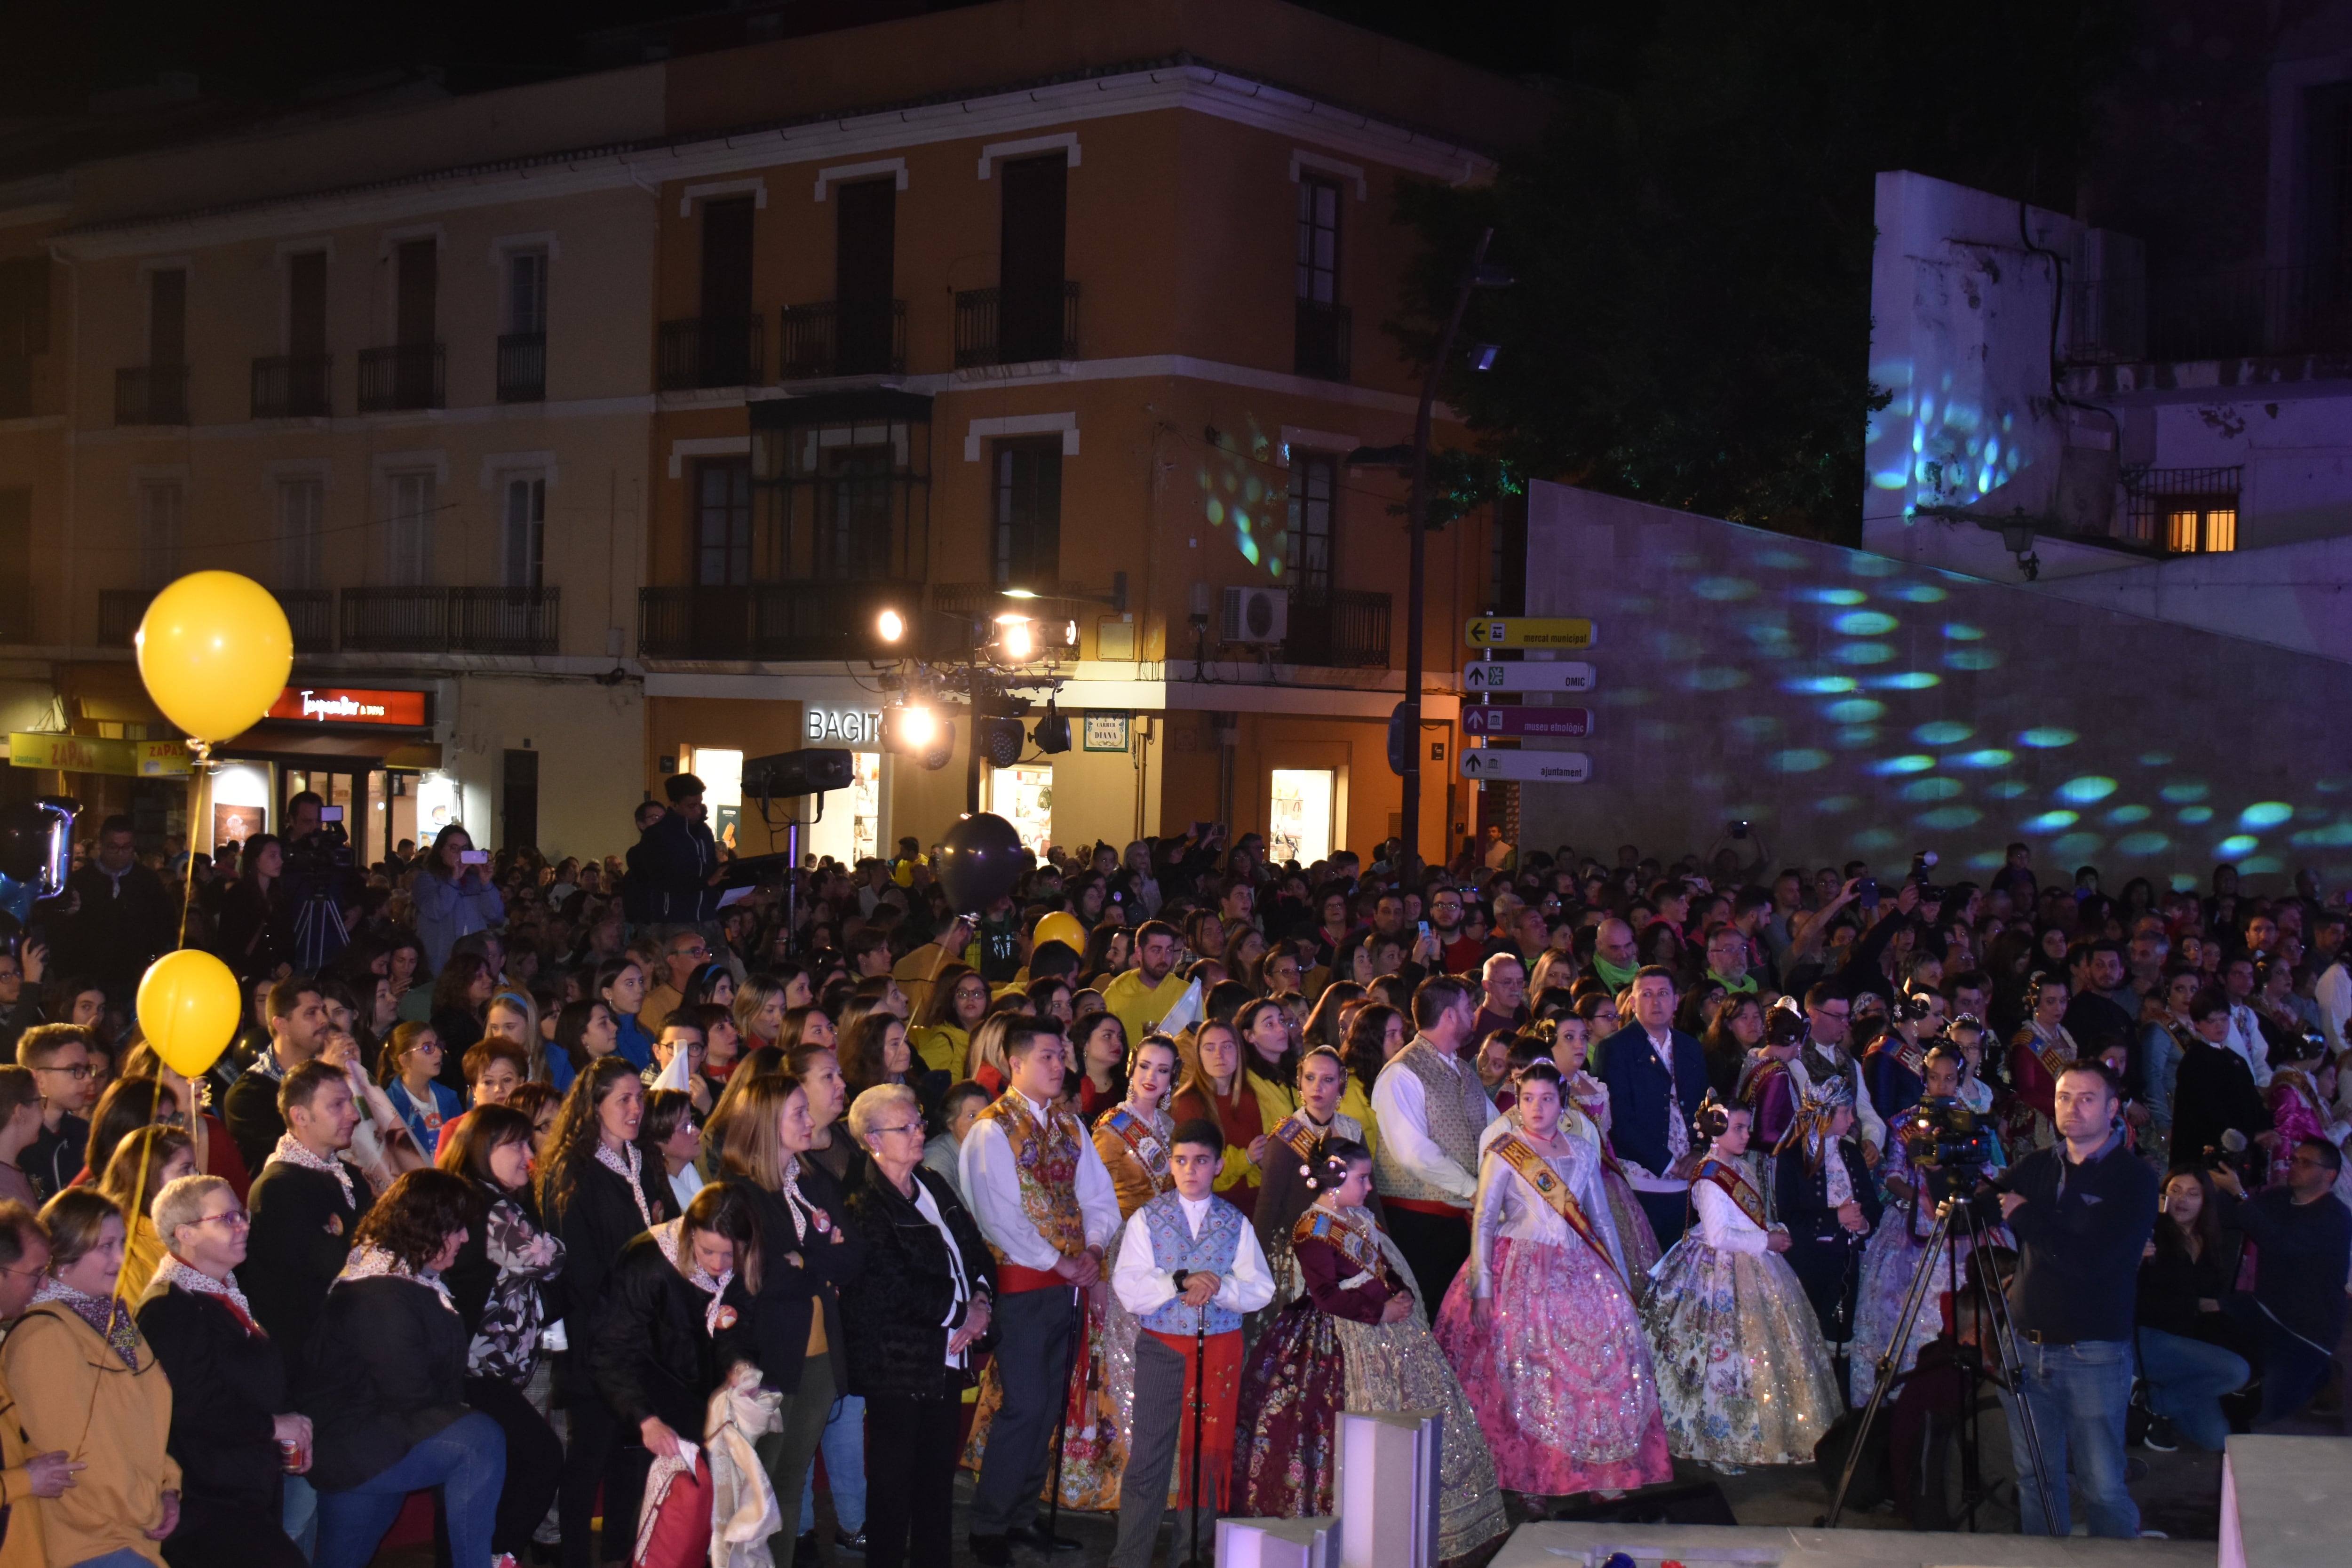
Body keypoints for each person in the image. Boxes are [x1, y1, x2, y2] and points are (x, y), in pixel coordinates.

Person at [1230, 1137, 1507, 1560]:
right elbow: (1325, 1295)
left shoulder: (1357, 1216)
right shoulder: (1313, 1229)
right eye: (1363, 1179)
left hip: (1391, 1329)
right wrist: (1379, 1312)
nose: (1370, 1188)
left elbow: (1384, 1266)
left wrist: (1399, 1295)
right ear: (1337, 1181)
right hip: (1340, 1335)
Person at [1434, 1062, 1671, 1501]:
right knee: (1530, 1369)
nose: (1536, 1108)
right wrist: (1482, 1288)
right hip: (1519, 1265)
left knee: (1599, 1365)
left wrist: (1619, 1278)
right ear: (1518, 1101)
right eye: (1528, 1099)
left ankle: (1598, 1470)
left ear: (1562, 1102)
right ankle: (1533, 1475)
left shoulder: (1583, 1149)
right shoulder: (1506, 1149)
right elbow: (1484, 1220)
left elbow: (1600, 1218)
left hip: (1582, 1267)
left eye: (1546, 1099)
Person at [1966, 1061, 2159, 1538]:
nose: (2070, 1108)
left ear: (2113, 1108)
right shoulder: (2038, 1165)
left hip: (2090, 1350)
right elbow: (1969, 1218)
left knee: (2100, 1485)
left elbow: (2094, 1262)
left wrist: (2027, 1218)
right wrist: (1940, 1173)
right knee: (2035, 1479)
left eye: (2086, 1098)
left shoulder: (2131, 1179)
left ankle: (2115, 1556)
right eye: (2062, 1096)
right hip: (2025, 1347)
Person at [958, 1021, 1121, 1567]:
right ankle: (989, 1524)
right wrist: (1062, 1261)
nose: (1059, 1065)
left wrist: (1094, 1252)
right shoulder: (992, 1129)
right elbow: (998, 1216)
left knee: (1048, 1404)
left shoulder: (1069, 1126)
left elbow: (1099, 1198)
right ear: (1016, 1063)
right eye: (1048, 1056)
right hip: (1023, 1285)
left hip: (1066, 1284)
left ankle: (1022, 1516)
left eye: (1061, 1056)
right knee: (1025, 1405)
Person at [299, 1169, 508, 1568]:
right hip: (358, 1446)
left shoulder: (400, 1279)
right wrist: (461, 1414)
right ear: (426, 1226)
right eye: (458, 1227)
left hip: (375, 1440)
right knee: (480, 1439)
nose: (466, 1238)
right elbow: (410, 1391)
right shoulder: (377, 1292)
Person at [838, 1086, 997, 1568]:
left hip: (946, 1353)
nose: (918, 1133)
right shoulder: (863, 1199)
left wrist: (983, 1298)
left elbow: (973, 1247)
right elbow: (888, 1283)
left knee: (935, 1478)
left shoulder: (931, 1182)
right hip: (898, 1362)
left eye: (919, 1124)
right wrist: (961, 1313)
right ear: (872, 1140)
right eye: (903, 1127)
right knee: (893, 1481)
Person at [1106, 1119, 1275, 1568]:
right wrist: (1179, 1280)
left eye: (1201, 1161)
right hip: (1162, 1346)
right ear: (1171, 1165)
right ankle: (1130, 1558)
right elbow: (1128, 1287)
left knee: (1207, 1456)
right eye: (1181, 1160)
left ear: (1219, 1165)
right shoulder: (1148, 1218)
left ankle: (1189, 1554)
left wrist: (1218, 1286)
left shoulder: (1234, 1222)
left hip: (1219, 1346)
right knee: (1150, 1454)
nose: (1190, 1170)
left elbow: (1261, 1287)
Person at [1640, 1096, 1843, 1471]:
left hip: (1755, 1263)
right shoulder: (1709, 1174)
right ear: (1718, 1131)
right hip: (1718, 1272)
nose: (1747, 1134)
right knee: (1723, 1355)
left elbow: (1751, 1218)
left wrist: (1771, 1232)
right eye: (1739, 1128)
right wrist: (1766, 1242)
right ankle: (1719, 1442)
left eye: (1748, 1127)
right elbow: (1718, 1236)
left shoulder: (1742, 1167)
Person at [713, 1071, 864, 1566]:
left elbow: (853, 1257)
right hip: (771, 1353)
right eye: (797, 1113)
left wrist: (806, 1258)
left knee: (793, 1474)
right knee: (760, 1482)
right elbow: (760, 1278)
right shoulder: (738, 1193)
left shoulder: (813, 1180)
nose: (810, 1120)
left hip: (820, 1351)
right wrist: (815, 1257)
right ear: (765, 1123)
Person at [134, 1174, 310, 1568]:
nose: (244, 1225)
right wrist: (273, 1425)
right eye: (227, 1218)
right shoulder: (170, 1308)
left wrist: (291, 1424)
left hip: (243, 1488)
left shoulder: (219, 1290)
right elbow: (192, 1408)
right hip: (206, 1501)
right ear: (186, 1233)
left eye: (241, 1215)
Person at [539, 1057, 672, 1568]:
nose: (636, 1108)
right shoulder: (573, 1171)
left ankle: (622, 1555)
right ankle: (574, 1558)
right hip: (602, 1338)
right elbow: (583, 1268)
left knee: (634, 1457)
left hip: (648, 1338)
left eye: (639, 1097)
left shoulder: (644, 1161)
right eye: (623, 1099)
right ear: (593, 1107)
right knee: (590, 1456)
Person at [592, 1182, 763, 1568]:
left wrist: (738, 1364)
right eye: (707, 1252)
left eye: (729, 1254)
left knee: (693, 1530)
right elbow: (610, 1351)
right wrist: (644, 1419)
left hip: (696, 1405)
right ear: (688, 1234)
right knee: (640, 1532)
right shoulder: (646, 1262)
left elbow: (734, 1324)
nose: (719, 1264)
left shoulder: (740, 1264)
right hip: (641, 1401)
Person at [7, 1187, 179, 1568]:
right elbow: (79, 1457)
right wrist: (149, 1508)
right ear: (63, 1259)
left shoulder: (114, 1318)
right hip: (86, 1543)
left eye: (122, 1243)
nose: (121, 1258)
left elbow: (144, 1422)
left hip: (130, 1532)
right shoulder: (44, 1334)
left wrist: (170, 1486)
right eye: (105, 1246)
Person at [434, 1105, 566, 1561]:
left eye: (529, 1143)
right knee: (541, 1457)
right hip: (473, 1369)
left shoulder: (491, 1199)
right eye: (515, 1144)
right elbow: (549, 1258)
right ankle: (497, 1553)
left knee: (480, 1472)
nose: (527, 1154)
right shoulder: (486, 1206)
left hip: (482, 1368)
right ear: (480, 1147)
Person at [1369, 977, 1495, 1314]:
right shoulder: (1401, 1073)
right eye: (1469, 1007)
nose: (1475, 1013)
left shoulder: (1466, 1074)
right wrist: (1473, 1188)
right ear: (1451, 1015)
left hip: (1460, 1221)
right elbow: (1413, 1153)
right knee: (1430, 1316)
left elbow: (1497, 1131)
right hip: (1419, 1226)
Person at [243, 1059, 374, 1382]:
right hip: (310, 1366)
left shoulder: (349, 1176)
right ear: (300, 1116)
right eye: (337, 1105)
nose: (353, 1115)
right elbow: (335, 1268)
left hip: (349, 1346)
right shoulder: (279, 1188)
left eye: (351, 1103)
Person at [2211, 1137, 2352, 1425]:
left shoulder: (2335, 1218)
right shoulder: (2280, 1198)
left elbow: (2280, 1243)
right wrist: (2213, 1185)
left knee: (2261, 1415)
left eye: (2305, 1162)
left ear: (2330, 1175)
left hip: (2307, 1332)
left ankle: (2321, 1371)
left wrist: (2239, 1195)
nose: (2294, 1166)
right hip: (2264, 1310)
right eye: (2294, 1160)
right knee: (2205, 1310)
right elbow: (2233, 1216)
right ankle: (2315, 1371)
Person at [2134, 1166, 2253, 1453]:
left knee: (2217, 1440)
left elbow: (2206, 1300)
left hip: (2185, 1346)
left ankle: (2157, 1402)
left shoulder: (2210, 1240)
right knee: (2236, 1371)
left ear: (2205, 1201)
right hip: (2146, 1340)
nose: (2181, 1200)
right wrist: (2133, 1259)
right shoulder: (2149, 1232)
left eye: (2192, 1193)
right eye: (2174, 1191)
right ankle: (2154, 1403)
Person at [1252, 1044, 1369, 1317]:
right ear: (1300, 1082)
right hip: (1303, 1246)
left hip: (1352, 1236)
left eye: (1328, 1080)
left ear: (1341, 1084)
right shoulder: (1285, 1136)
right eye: (1310, 1078)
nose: (1318, 1087)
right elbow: (1268, 1204)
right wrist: (1253, 1261)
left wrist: (1384, 1237)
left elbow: (1368, 1191)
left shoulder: (1352, 1129)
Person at [1596, 965, 1710, 1244]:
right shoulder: (1615, 1048)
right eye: (1646, 994)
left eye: (1663, 994)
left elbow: (1706, 1107)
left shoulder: (1690, 1047)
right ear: (1632, 1003)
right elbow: (1617, 1120)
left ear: (1676, 1001)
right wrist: (1669, 1163)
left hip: (1690, 1178)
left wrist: (1698, 1150)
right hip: (1641, 1180)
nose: (1656, 1002)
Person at [1770, 1073, 1879, 1356]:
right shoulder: (1792, 1156)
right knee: (1806, 1343)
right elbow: (1789, 1217)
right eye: (1846, 1112)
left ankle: (1839, 1398)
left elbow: (1872, 1203)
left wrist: (1864, 1222)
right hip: (1807, 1264)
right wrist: (1836, 1219)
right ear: (1824, 1114)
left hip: (1846, 1262)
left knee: (1840, 1339)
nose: (1852, 1120)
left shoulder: (1851, 1154)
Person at [223, 978, 332, 1177]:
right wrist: (326, 1085)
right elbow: (298, 1154)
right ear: (281, 1025)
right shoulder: (246, 1096)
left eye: (323, 1011)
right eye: (311, 1013)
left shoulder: (331, 1069)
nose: (324, 1020)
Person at [60, 814, 175, 988]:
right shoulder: (81, 881)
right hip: (89, 975)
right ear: (102, 845)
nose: (120, 854)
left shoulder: (147, 880)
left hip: (137, 975)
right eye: (114, 847)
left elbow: (163, 923)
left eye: (126, 847)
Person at [1170, 1019, 1266, 1218]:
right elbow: (1196, 1169)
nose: (1219, 1055)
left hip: (1254, 1205)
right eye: (1210, 1048)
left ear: (1239, 1052)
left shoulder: (1249, 1096)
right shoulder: (1188, 1103)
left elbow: (1259, 1162)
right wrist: (1246, 1158)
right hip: (1212, 1210)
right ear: (1199, 1056)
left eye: (1227, 1047)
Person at [99, 1123, 197, 1300]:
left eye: (194, 1169)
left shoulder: (189, 1228)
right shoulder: (124, 1244)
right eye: (185, 1169)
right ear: (150, 1175)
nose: (197, 1178)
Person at [17, 1024, 96, 1200]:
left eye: (87, 1069)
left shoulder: (86, 1135)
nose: (89, 1080)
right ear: (38, 1078)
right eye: (75, 1070)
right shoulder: (14, 1142)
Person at [412, 824, 505, 973]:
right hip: (441, 963)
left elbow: (496, 916)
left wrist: (486, 883)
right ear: (441, 850)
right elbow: (436, 911)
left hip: (475, 962)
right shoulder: (426, 879)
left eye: (464, 848)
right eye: (454, 848)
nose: (460, 854)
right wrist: (454, 878)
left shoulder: (476, 880)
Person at [637, 774, 723, 925]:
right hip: (672, 920)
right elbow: (660, 879)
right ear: (675, 804)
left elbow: (713, 869)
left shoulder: (704, 832)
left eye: (700, 804)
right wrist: (705, 883)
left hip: (707, 917)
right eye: (691, 806)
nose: (697, 811)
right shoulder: (657, 835)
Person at [377, 1021, 461, 1154]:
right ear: (404, 1060)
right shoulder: (389, 1105)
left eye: (438, 1046)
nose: (439, 1053)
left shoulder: (449, 1098)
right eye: (428, 1048)